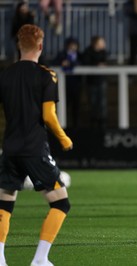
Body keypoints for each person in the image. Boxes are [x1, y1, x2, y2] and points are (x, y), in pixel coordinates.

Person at [0, 24, 72, 266]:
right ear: (40, 46)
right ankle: (40, 259)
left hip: (9, 148)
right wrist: (64, 139)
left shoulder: (5, 75)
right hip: (34, 148)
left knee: (5, 203)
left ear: (19, 45)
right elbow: (49, 115)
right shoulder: (46, 75)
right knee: (61, 202)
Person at [53, 37, 82, 128]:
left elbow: (82, 63)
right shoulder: (61, 55)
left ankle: (76, 127)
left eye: (74, 45)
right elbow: (54, 62)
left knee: (76, 108)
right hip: (64, 86)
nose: (72, 47)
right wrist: (62, 63)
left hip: (76, 85)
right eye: (71, 45)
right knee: (64, 106)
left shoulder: (80, 55)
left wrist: (71, 64)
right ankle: (63, 127)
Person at [82, 36, 108, 129]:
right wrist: (97, 65)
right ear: (96, 43)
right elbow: (86, 63)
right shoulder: (88, 52)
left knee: (102, 103)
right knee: (92, 103)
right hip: (91, 82)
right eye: (102, 42)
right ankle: (93, 122)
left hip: (101, 81)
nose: (104, 44)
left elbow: (105, 63)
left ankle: (102, 123)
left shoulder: (104, 52)